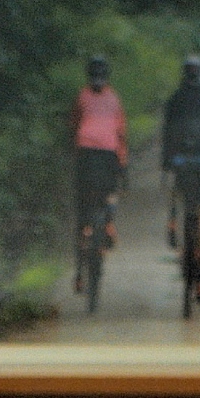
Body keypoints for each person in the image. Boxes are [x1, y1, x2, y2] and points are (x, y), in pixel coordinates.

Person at [161, 53, 200, 302]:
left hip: (180, 165)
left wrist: (166, 165)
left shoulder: (175, 99)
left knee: (178, 201)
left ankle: (174, 225)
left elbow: (166, 135)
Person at [72, 55, 126, 293]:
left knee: (82, 210)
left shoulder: (81, 96)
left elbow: (73, 126)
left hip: (85, 155)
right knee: (111, 192)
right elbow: (121, 133)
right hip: (108, 156)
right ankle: (109, 224)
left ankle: (79, 275)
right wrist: (123, 163)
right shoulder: (114, 98)